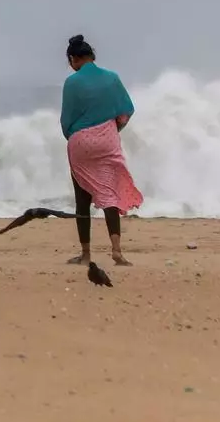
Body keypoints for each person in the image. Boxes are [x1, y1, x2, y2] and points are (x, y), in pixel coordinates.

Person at [60, 35, 142, 266]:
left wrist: (73, 136)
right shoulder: (112, 78)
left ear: (74, 59)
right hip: (108, 139)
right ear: (91, 56)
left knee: (82, 198)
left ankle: (85, 254)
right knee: (110, 196)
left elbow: (67, 120)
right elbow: (127, 110)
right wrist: (114, 129)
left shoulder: (72, 82)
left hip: (81, 142)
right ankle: (117, 251)